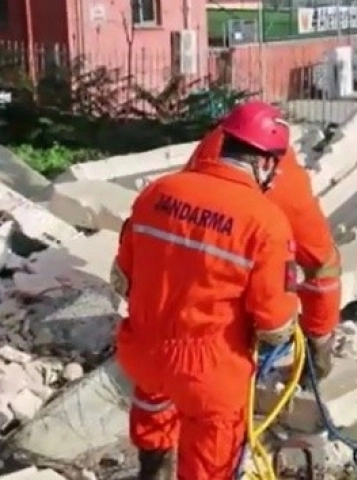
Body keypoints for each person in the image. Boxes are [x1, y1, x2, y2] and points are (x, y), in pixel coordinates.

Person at [111, 102, 339, 480]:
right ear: (267, 163)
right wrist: (314, 338)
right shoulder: (266, 218)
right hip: (208, 367)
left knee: (154, 415)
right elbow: (274, 321)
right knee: (210, 459)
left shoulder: (159, 191)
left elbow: (124, 276)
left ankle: (152, 470)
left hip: (143, 349)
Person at [188, 102, 343, 379]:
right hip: (215, 358)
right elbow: (320, 263)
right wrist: (319, 339)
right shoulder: (284, 194)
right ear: (266, 163)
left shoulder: (191, 170)